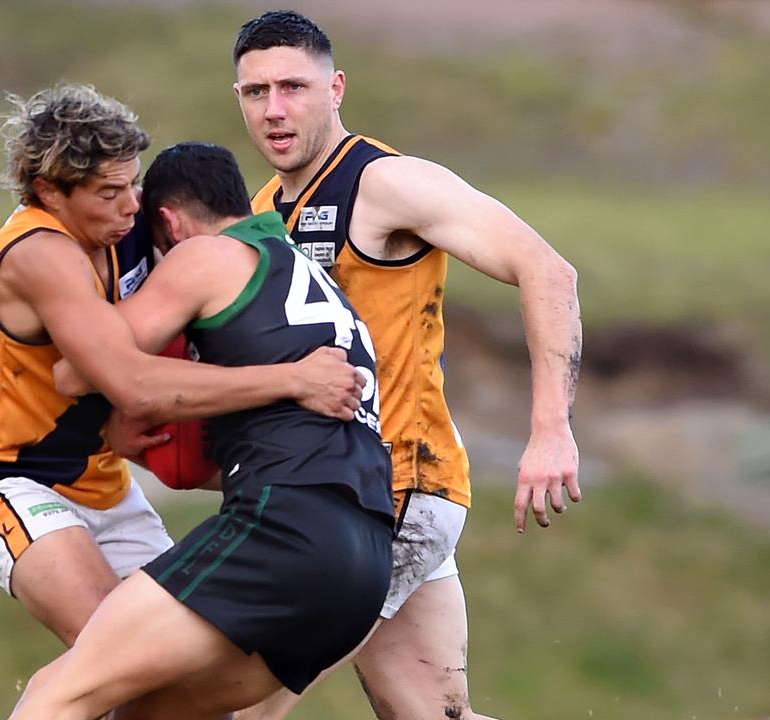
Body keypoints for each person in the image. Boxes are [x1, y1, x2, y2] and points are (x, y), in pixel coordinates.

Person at [230, 11, 584, 719]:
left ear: (335, 88)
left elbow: (547, 270)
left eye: (293, 87)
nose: (274, 109)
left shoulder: (384, 183)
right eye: (254, 91)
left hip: (392, 490)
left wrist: (550, 431)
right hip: (341, 491)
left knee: (231, 704)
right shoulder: (265, 210)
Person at [0, 84, 366, 649]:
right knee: (114, 656)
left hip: (103, 480)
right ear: (49, 191)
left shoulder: (129, 225)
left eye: (134, 183)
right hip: (9, 478)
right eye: (110, 191)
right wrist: (293, 379)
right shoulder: (39, 253)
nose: (131, 205)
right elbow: (134, 385)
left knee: (184, 675)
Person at [8, 141, 395, 720]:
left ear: (168, 222)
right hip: (364, 567)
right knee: (148, 713)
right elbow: (297, 437)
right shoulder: (318, 285)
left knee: (60, 691)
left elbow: (77, 371)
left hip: (286, 529)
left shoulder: (207, 255)